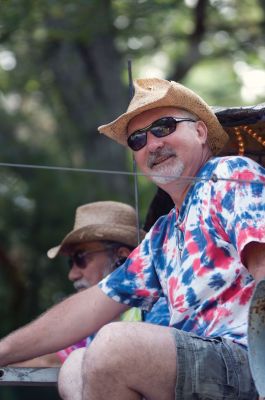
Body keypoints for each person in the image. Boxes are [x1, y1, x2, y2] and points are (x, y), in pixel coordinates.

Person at [0, 78, 264, 400]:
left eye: (164, 127)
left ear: (200, 131)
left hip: (251, 362)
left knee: (113, 345)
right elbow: (91, 305)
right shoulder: (162, 236)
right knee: (76, 364)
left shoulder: (230, 175)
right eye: (138, 139)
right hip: (201, 368)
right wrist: (4, 350)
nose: (152, 144)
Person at [13, 200, 170, 368]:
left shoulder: (160, 304)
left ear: (122, 258)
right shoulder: (94, 323)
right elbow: (47, 359)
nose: (72, 274)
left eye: (80, 258)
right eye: (70, 262)